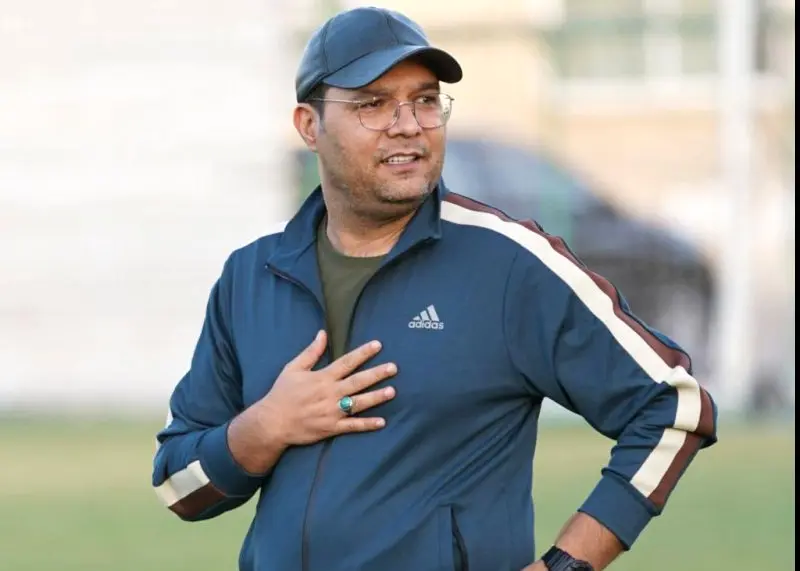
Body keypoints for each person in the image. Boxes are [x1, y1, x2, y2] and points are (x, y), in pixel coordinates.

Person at [151, 7, 718, 571]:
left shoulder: (508, 263)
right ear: (308, 126)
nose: (408, 124)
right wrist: (266, 427)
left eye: (425, 100)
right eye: (373, 104)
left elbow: (674, 406)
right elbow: (179, 486)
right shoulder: (251, 276)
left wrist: (568, 564)